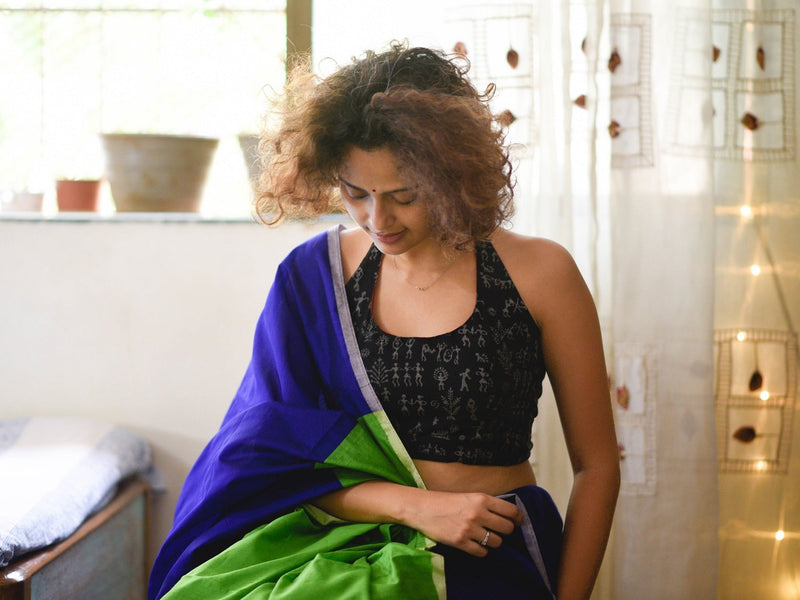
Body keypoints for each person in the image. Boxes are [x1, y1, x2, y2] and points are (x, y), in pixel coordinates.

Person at [148, 43, 619, 600]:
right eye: (355, 193)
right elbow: (273, 459)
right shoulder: (314, 279)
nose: (378, 219)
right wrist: (419, 507)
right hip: (333, 549)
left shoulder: (540, 274)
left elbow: (597, 466)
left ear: (455, 174)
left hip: (485, 551)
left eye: (404, 196)